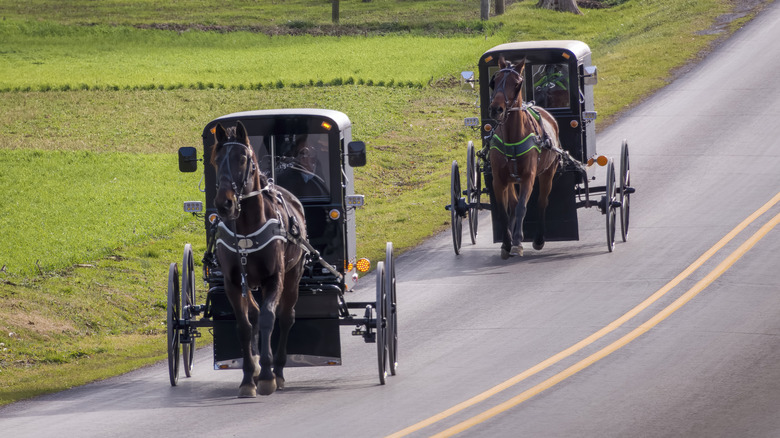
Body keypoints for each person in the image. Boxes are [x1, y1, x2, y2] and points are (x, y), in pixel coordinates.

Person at [274, 134, 329, 199]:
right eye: (303, 153)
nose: (307, 158)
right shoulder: (284, 179)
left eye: (312, 153)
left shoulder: (325, 171)